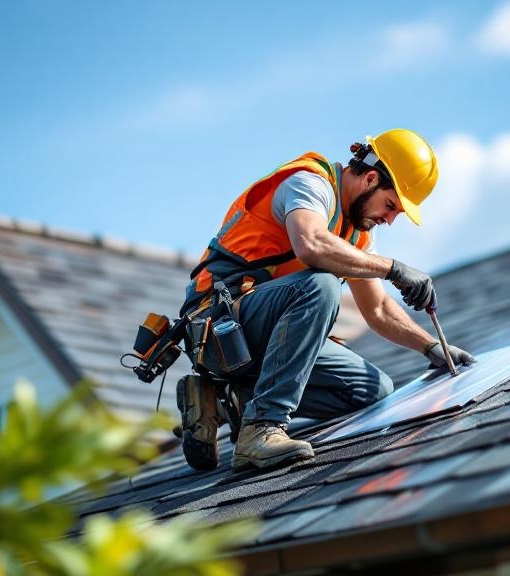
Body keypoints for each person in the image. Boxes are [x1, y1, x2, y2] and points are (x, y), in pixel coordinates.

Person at [176, 129, 476, 472]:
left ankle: (232, 400)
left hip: (256, 336)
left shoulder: (358, 233)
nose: (390, 219)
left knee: (373, 390)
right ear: (371, 178)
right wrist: (393, 269)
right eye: (391, 205)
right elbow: (312, 245)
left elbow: (377, 309)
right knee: (321, 285)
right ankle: (261, 428)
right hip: (216, 326)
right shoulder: (310, 184)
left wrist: (430, 346)